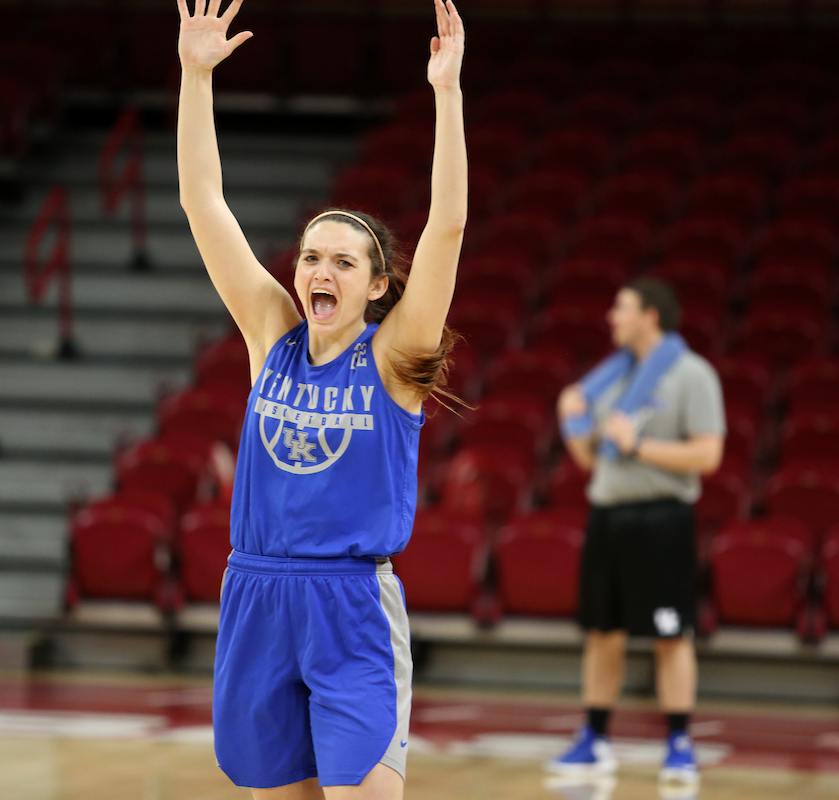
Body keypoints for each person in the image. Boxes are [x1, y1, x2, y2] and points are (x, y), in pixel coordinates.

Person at [175, 0, 467, 797]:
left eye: (342, 261)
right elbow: (206, 204)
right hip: (256, 596)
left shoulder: (397, 357)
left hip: (350, 609)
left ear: (376, 287)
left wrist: (447, 95)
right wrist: (195, 78)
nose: (319, 272)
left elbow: (446, 228)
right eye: (310, 256)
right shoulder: (272, 334)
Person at [547, 278, 725, 784]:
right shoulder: (609, 379)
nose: (611, 317)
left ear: (650, 316)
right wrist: (572, 423)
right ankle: (595, 739)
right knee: (602, 632)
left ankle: (679, 742)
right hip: (608, 515)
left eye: (621, 308)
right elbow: (589, 460)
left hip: (662, 520)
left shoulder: (694, 376)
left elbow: (708, 455)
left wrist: (638, 445)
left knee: (671, 635)